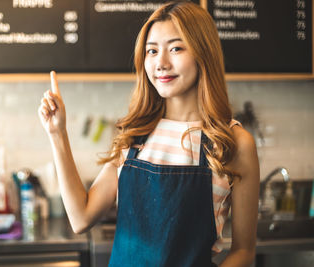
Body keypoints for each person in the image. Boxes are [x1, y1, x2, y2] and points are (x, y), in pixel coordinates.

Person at [38, 1, 259, 266]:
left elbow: (244, 252)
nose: (161, 63)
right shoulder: (135, 135)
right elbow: (81, 218)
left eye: (176, 48)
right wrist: (57, 133)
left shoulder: (233, 143)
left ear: (203, 54)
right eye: (152, 51)